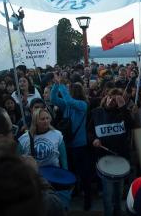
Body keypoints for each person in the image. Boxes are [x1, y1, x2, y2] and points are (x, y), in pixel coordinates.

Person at [0, 106, 64, 216]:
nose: (13, 136)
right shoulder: (6, 175)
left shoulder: (57, 135)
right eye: (11, 130)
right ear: (0, 137)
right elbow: (53, 206)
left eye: (47, 118)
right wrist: (34, 175)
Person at [88, 88, 135, 216]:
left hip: (121, 157)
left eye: (115, 100)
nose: (110, 101)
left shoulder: (123, 113)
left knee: (119, 188)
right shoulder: (97, 113)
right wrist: (94, 139)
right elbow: (90, 131)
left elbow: (131, 125)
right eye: (109, 97)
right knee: (108, 192)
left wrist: (123, 107)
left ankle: (118, 209)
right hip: (105, 158)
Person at [50, 73, 92, 211]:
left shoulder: (82, 105)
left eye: (69, 90)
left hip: (80, 147)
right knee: (71, 172)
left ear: (73, 92)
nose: (67, 92)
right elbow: (53, 98)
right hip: (68, 145)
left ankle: (88, 198)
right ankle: (74, 192)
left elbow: (68, 101)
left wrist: (62, 85)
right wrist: (56, 84)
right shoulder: (68, 105)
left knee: (84, 174)